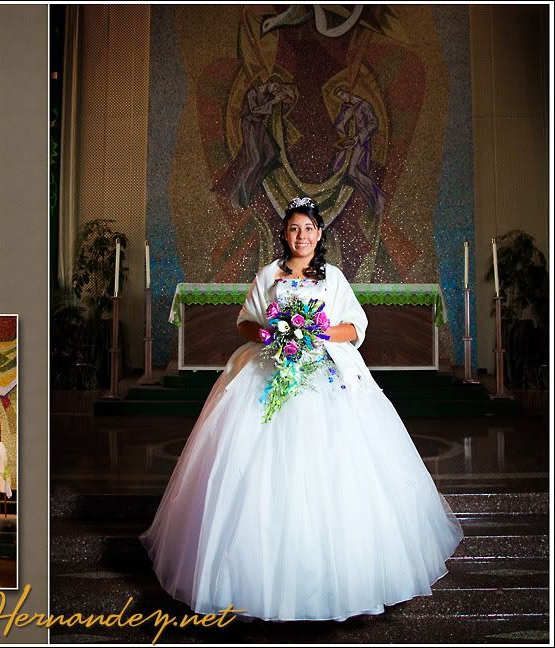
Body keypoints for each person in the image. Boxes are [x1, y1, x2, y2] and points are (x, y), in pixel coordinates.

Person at [141, 196, 464, 621]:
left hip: (325, 369)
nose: (302, 236)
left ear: (319, 234)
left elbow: (356, 326)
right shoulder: (268, 274)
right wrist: (270, 329)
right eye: (294, 229)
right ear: (284, 233)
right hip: (270, 364)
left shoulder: (332, 278)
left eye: (309, 229)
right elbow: (244, 321)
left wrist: (317, 330)